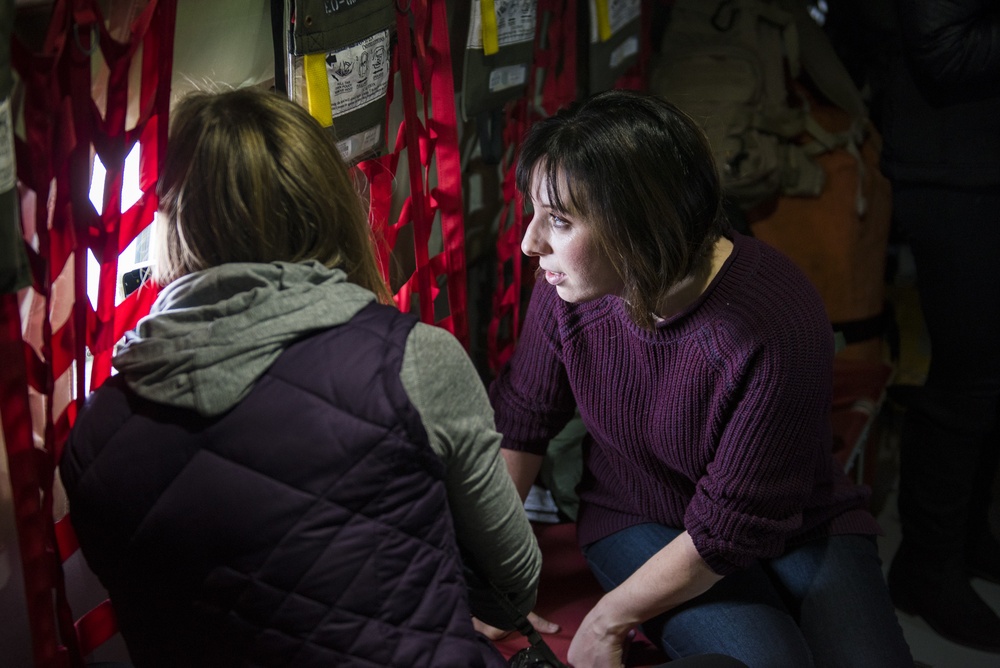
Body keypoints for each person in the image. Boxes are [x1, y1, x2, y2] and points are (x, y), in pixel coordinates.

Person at [58, 87, 540, 667]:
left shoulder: (96, 431)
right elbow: (515, 584)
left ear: (168, 224)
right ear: (328, 205)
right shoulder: (412, 360)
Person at [489, 89, 914, 668]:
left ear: (637, 223)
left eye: (558, 221)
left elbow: (729, 528)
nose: (530, 243)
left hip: (792, 517)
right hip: (640, 512)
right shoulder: (565, 290)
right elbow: (524, 420)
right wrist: (492, 575)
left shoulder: (775, 318)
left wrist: (606, 621)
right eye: (534, 214)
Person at [877, 0, 1000, 653]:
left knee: (988, 376)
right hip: (955, 172)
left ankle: (966, 541)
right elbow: (944, 50)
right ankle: (926, 569)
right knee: (967, 375)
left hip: (978, 165)